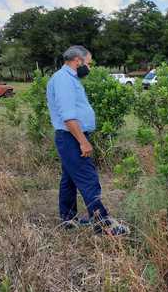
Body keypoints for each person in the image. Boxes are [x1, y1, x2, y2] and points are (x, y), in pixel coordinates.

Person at [46, 46, 129, 236]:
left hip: (71, 136)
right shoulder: (63, 80)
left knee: (69, 180)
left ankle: (68, 220)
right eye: (88, 64)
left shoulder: (69, 79)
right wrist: (83, 141)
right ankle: (103, 223)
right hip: (72, 137)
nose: (89, 68)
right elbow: (68, 116)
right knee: (88, 178)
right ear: (77, 60)